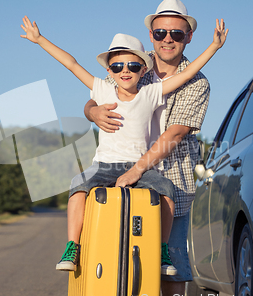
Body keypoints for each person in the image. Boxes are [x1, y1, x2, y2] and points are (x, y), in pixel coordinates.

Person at [20, 14, 227, 278]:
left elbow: (187, 73)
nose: (124, 71)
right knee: (78, 184)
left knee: (165, 190)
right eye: (117, 67)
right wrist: (40, 40)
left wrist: (213, 47)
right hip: (105, 165)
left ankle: (163, 251)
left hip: (138, 167)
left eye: (132, 65)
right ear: (108, 71)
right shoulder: (102, 90)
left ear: (143, 70)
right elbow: (71, 64)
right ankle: (72, 245)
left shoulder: (151, 93)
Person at [84, 0, 217, 296]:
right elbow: (97, 93)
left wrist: (137, 169)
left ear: (189, 37)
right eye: (160, 33)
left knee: (169, 270)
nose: (167, 39)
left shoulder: (197, 83)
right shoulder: (133, 67)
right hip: (121, 182)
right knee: (116, 262)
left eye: (176, 33)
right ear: (151, 36)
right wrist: (92, 112)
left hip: (171, 182)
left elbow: (175, 133)